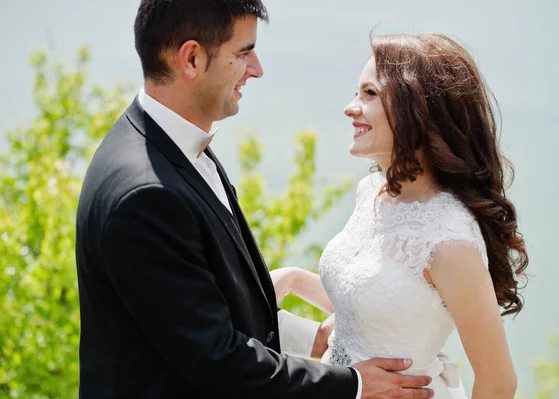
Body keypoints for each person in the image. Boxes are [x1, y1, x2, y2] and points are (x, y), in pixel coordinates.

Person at [75, 1, 435, 398]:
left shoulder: (170, 145)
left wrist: (310, 338)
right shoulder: (145, 194)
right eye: (244, 52)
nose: (257, 68)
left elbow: (199, 309)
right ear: (191, 58)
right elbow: (218, 360)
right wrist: (356, 384)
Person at [271, 32, 529, 399]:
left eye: (369, 94)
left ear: (419, 110)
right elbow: (375, 305)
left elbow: (500, 382)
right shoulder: (374, 192)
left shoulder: (449, 240)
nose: (350, 107)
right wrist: (293, 279)